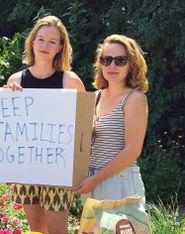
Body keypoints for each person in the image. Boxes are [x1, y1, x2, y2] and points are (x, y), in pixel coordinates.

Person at [6, 16, 85, 234]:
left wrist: (79, 169)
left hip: (58, 169)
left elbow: (84, 129)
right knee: (37, 229)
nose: (45, 45)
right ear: (32, 42)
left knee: (58, 230)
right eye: (41, 39)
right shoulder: (15, 80)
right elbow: (7, 128)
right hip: (25, 168)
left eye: (52, 41)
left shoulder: (71, 81)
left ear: (60, 47)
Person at [77, 34, 148, 206]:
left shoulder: (134, 98)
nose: (112, 65)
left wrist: (96, 179)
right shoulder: (94, 97)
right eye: (106, 60)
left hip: (120, 182)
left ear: (132, 64)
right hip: (90, 181)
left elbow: (132, 150)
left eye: (120, 60)